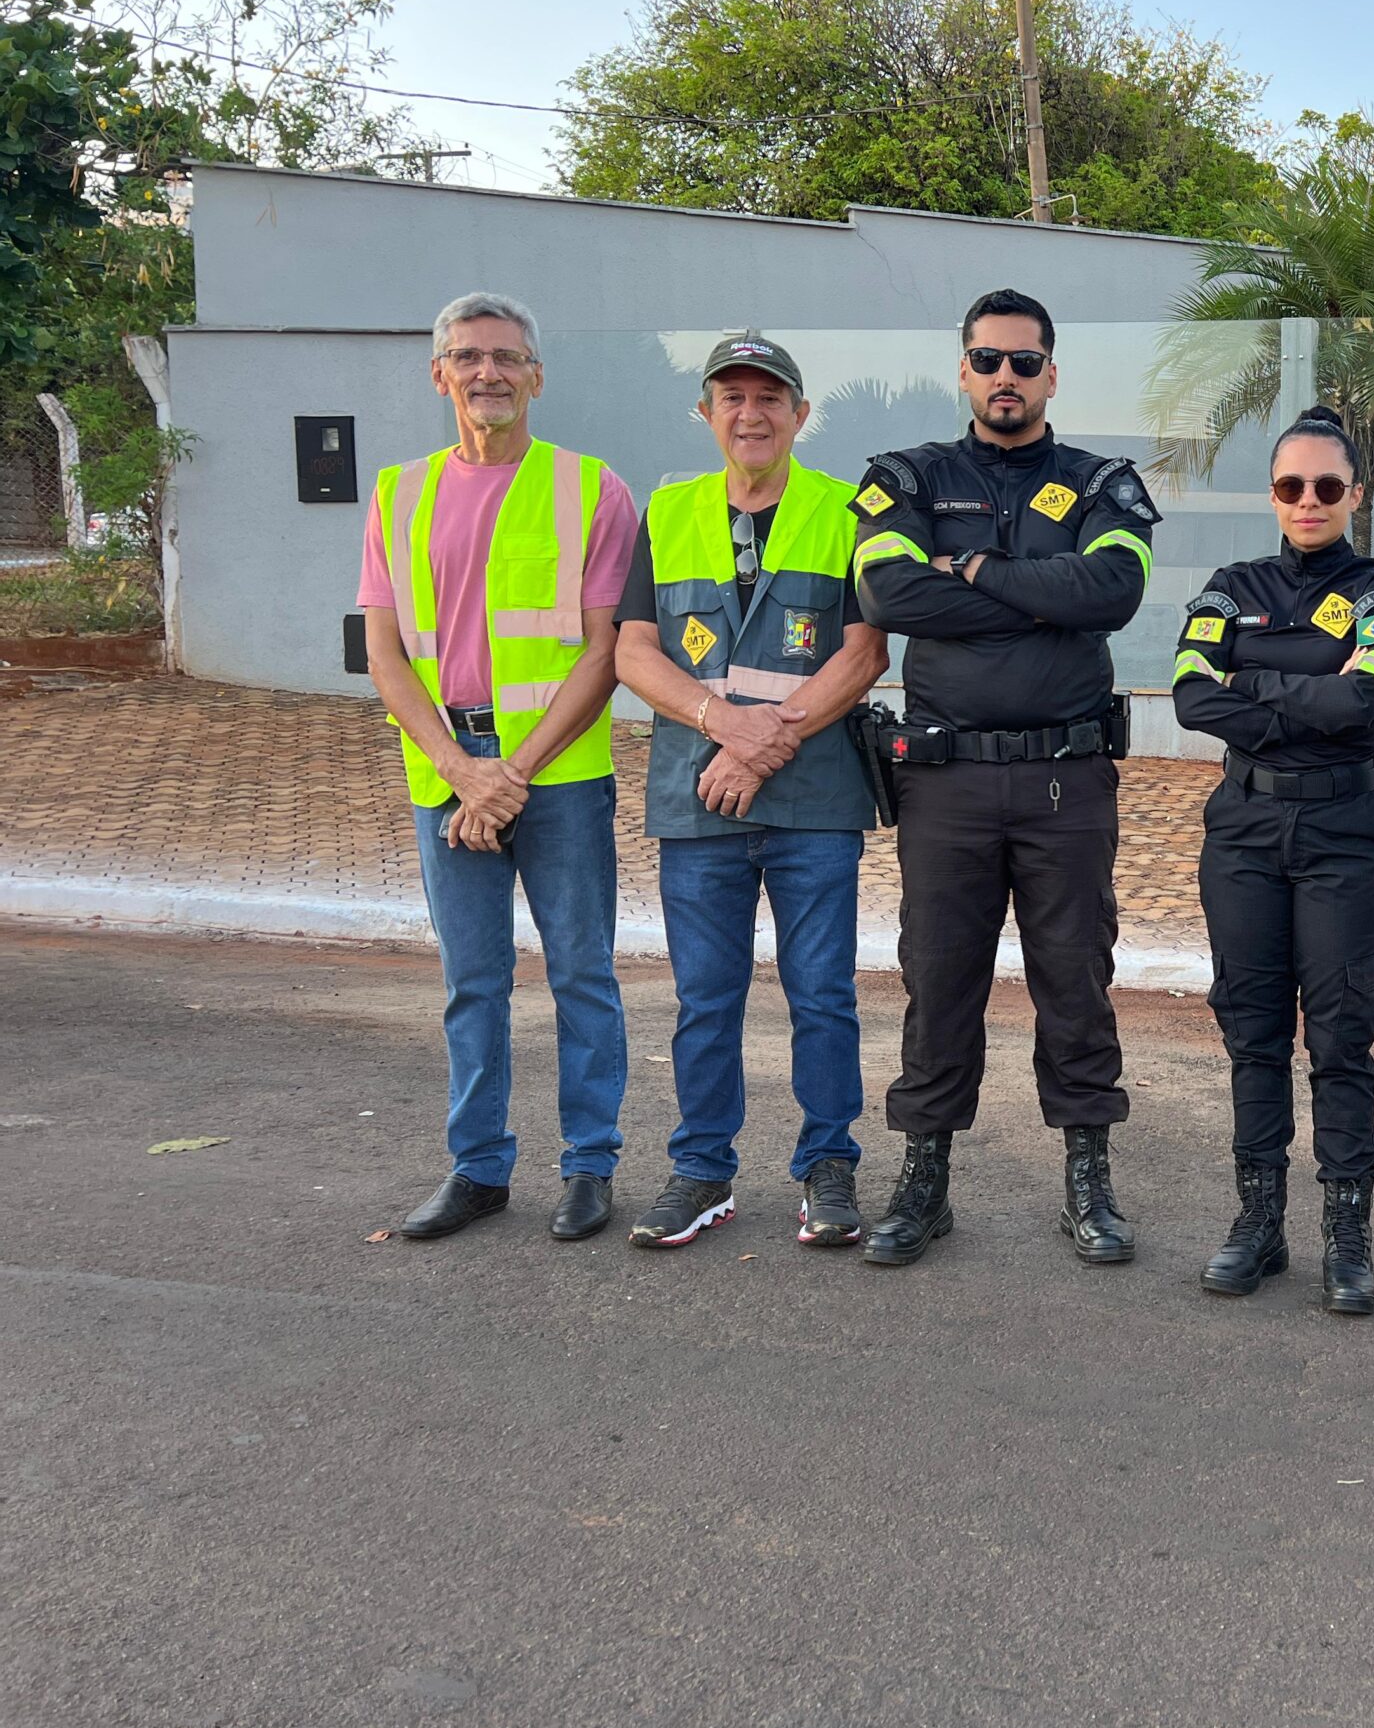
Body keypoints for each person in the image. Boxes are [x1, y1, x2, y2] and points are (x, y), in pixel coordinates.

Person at [850, 288, 1157, 1268]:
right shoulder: (908, 478)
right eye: (987, 360)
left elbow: (1112, 589)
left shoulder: (1101, 481)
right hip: (947, 784)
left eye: (1024, 362)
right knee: (940, 977)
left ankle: (1088, 1180)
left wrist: (973, 573)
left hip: (1068, 779)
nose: (1005, 377)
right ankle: (924, 1181)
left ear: (1051, 374)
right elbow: (888, 592)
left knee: (1077, 979)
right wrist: (1042, 599)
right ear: (964, 371)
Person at [359, 292, 637, 1243]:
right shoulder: (397, 493)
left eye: (508, 357)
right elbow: (386, 655)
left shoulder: (591, 487)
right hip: (446, 774)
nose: (489, 373)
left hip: (557, 774)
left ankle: (590, 1166)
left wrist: (507, 771)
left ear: (537, 377)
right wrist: (462, 769)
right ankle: (478, 1170)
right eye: (470, 357)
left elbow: (604, 651)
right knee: (471, 982)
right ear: (440, 374)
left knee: (581, 975)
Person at [611, 336, 890, 1250]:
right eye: (731, 397)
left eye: (770, 397)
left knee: (823, 995)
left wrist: (764, 744)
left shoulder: (846, 510)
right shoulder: (667, 511)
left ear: (800, 414)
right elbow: (632, 650)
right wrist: (723, 724)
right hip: (697, 799)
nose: (750, 413)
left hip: (814, 801)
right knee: (705, 999)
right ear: (706, 413)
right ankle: (701, 1170)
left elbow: (864, 653)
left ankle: (828, 1166)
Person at [1171, 406, 1374, 1314]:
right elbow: (1189, 697)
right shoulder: (1230, 586)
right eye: (1290, 485)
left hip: (1344, 831)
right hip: (1243, 830)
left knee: (1342, 1033)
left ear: (1355, 494)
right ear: (1272, 495)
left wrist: (1248, 683)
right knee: (1253, 1028)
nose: (1307, 500)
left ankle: (1347, 1237)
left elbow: (1361, 703)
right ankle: (1259, 1223)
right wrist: (1307, 691)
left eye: (1326, 486)